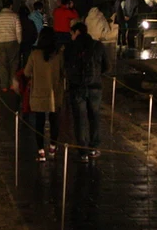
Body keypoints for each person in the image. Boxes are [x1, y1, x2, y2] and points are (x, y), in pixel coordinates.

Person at [65, 21, 109, 162]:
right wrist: (97, 74)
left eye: (72, 33)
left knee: (80, 119)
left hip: (77, 87)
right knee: (94, 117)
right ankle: (94, 147)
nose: (71, 36)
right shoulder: (98, 46)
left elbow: (65, 67)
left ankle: (83, 150)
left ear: (77, 32)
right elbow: (107, 66)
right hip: (95, 86)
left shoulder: (71, 47)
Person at [24, 28, 64, 162]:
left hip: (39, 93)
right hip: (54, 93)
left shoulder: (35, 54)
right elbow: (63, 71)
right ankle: (53, 147)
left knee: (39, 123)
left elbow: (26, 72)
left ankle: (41, 151)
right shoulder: (58, 54)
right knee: (54, 121)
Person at [0, 0, 22, 92]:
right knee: (14, 63)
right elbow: (18, 30)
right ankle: (12, 84)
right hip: (12, 41)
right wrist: (19, 41)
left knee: (2, 64)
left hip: (0, 42)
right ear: (10, 6)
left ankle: (4, 85)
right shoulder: (15, 16)